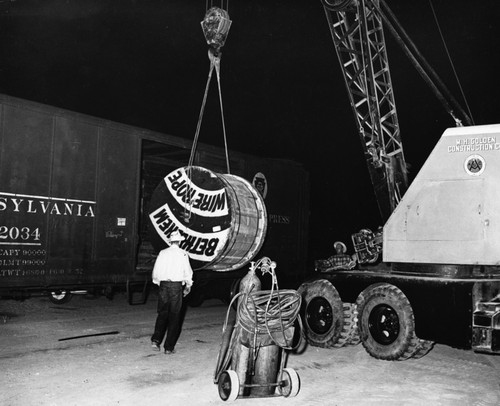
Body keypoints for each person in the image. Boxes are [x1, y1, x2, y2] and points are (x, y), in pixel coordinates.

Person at [151, 230, 193, 354]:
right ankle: (168, 348)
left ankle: (156, 341)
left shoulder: (162, 253)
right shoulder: (183, 254)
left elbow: (156, 271)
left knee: (162, 313)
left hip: (164, 285)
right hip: (176, 286)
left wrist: (159, 282)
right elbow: (188, 272)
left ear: (170, 241)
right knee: (174, 317)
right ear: (179, 241)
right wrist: (188, 284)